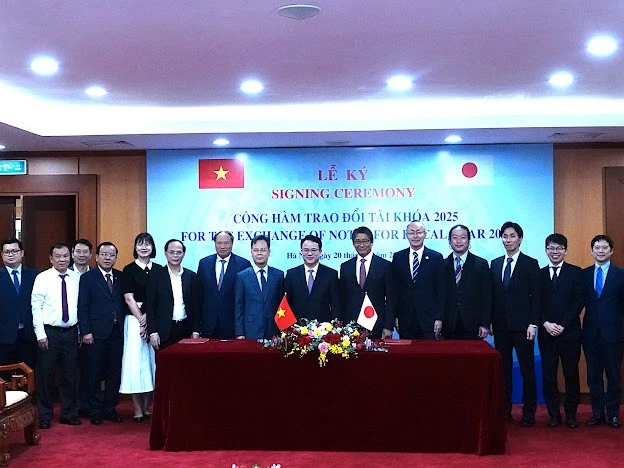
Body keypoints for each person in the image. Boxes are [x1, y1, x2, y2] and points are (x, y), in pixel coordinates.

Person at [490, 221, 540, 426]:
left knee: (527, 370)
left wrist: (533, 323)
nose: (508, 240)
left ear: (520, 239)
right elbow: (492, 296)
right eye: (505, 236)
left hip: (523, 327)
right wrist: (490, 321)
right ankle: (504, 411)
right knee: (503, 371)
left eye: (512, 236)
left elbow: (536, 297)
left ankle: (529, 413)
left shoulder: (530, 263)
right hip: (500, 327)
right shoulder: (494, 264)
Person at [31, 243, 81, 428]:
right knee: (46, 376)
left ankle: (68, 413)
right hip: (49, 333)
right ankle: (45, 415)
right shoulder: (42, 278)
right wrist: (40, 334)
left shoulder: (77, 278)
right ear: (51, 259)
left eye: (65, 256)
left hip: (71, 333)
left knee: (70, 376)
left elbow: (80, 307)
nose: (62, 259)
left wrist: (80, 331)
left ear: (70, 257)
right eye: (58, 256)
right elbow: (36, 307)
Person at [539, 233, 583, 428]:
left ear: (565, 250)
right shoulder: (539, 274)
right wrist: (546, 323)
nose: (555, 252)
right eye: (551, 248)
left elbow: (578, 301)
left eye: (559, 248)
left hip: (570, 332)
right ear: (546, 250)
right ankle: (553, 414)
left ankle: (571, 414)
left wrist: (563, 324)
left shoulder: (576, 272)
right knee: (549, 375)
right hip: (546, 332)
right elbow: (535, 303)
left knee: (571, 373)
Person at [78, 242, 125, 425]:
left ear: (116, 258)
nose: (107, 258)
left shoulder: (120, 276)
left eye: (111, 255)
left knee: (114, 372)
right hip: (96, 334)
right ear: (96, 257)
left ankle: (110, 408)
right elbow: (83, 306)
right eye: (104, 254)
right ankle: (95, 410)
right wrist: (86, 331)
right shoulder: (87, 278)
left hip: (117, 333)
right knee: (94, 373)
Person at [583, 234, 624, 429]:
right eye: (597, 248)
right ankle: (597, 413)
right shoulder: (583, 275)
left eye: (605, 247)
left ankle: (613, 414)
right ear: (592, 251)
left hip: (614, 334)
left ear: (611, 251)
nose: (601, 251)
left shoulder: (620, 275)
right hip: (590, 334)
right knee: (593, 376)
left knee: (613, 376)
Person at [120, 233, 160, 422]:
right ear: (135, 247)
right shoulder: (128, 269)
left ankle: (146, 407)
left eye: (147, 244)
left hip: (153, 320)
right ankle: (137, 409)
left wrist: (149, 318)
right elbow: (129, 298)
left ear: (153, 248)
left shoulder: (159, 270)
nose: (144, 248)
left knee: (150, 364)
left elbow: (161, 298)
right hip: (134, 320)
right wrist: (142, 319)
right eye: (140, 244)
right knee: (135, 364)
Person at [391, 221, 446, 340]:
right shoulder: (398, 257)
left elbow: (441, 290)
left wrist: (439, 318)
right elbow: (394, 290)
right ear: (406, 235)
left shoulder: (436, 258)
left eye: (419, 232)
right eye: (411, 233)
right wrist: (395, 316)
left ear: (425, 234)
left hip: (429, 319)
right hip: (405, 319)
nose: (415, 236)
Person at [339, 226, 394, 339]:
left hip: (377, 324)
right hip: (351, 325)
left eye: (365, 241)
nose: (361, 245)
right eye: (358, 241)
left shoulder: (385, 266)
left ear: (371, 242)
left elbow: (391, 298)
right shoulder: (345, 266)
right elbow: (342, 298)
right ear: (353, 243)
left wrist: (388, 326)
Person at [145, 239, 199, 350]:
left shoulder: (191, 276)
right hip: (163, 332)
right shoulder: (155, 276)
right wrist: (153, 332)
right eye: (172, 252)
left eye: (179, 252)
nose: (175, 255)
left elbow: (196, 306)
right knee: (165, 361)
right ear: (165, 253)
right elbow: (150, 306)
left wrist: (196, 330)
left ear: (183, 254)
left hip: (186, 330)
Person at [196, 231, 251, 339]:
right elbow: (198, 296)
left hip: (232, 326)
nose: (222, 246)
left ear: (232, 244)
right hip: (208, 325)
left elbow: (246, 298)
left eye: (226, 243)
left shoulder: (244, 264)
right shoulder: (204, 263)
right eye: (219, 243)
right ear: (214, 243)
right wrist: (196, 328)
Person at [443, 225, 491, 340]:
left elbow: (487, 297)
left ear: (469, 241)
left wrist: (485, 323)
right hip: (448, 324)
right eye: (455, 237)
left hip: (473, 325)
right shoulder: (442, 264)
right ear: (449, 241)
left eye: (463, 237)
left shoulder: (481, 264)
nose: (459, 241)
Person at [234, 235, 284, 339]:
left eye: (263, 250)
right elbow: (239, 306)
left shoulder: (278, 275)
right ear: (251, 252)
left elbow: (281, 304)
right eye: (256, 250)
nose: (259, 253)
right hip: (250, 330)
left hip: (273, 330)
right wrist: (240, 333)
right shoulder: (242, 276)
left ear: (269, 252)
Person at [284, 234, 341, 323]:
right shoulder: (291, 274)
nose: (310, 253)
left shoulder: (331, 274)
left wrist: (336, 326)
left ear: (320, 251)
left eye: (314, 250)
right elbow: (287, 304)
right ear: (301, 252)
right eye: (306, 250)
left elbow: (336, 305)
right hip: (297, 328)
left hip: (323, 328)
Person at [0, 237, 38, 369]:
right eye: (7, 252)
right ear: (2, 255)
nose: (10, 255)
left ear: (22, 253)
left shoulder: (34, 275)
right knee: (4, 375)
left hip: (28, 335)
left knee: (27, 373)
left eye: (14, 251)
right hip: (4, 337)